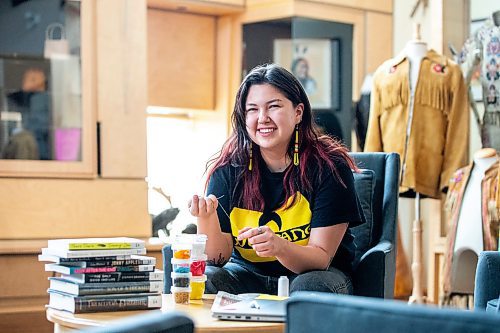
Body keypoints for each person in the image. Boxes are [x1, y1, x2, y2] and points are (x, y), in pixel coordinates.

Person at [188, 63, 365, 296]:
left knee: (309, 287)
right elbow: (217, 258)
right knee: (207, 279)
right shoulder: (228, 168)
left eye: (273, 107)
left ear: (298, 112)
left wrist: (279, 246)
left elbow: (320, 257)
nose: (262, 118)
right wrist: (207, 219)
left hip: (316, 275)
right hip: (247, 274)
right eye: (252, 109)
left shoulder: (328, 166)